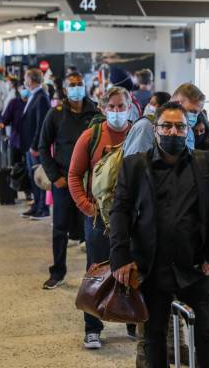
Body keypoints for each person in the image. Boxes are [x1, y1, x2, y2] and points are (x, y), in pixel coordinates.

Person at [110, 102, 209, 367]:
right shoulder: (135, 165)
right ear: (155, 129)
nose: (173, 132)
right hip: (152, 267)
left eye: (179, 126)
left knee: (207, 335)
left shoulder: (206, 162)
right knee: (154, 338)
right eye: (166, 126)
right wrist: (121, 257)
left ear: (188, 130)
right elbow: (120, 212)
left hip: (196, 266)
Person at [68, 86, 132, 349]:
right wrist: (87, 207)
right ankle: (92, 327)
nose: (117, 111)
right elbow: (74, 175)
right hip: (98, 219)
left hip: (131, 219)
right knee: (96, 270)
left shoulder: (138, 134)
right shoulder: (90, 137)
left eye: (121, 106)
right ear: (103, 108)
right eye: (112, 107)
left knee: (132, 268)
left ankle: (133, 319)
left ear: (130, 106)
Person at [39, 72, 97, 290]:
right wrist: (55, 177)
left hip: (89, 183)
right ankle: (58, 272)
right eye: (71, 85)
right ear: (64, 89)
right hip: (64, 180)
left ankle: (92, 275)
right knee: (60, 228)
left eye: (79, 84)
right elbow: (43, 147)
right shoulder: (56, 114)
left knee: (91, 229)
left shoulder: (95, 112)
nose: (76, 88)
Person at [123, 83, 204, 157]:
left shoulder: (188, 131)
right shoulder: (146, 126)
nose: (193, 116)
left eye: (197, 113)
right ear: (175, 103)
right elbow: (133, 166)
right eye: (191, 111)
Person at [20, 69, 51, 219]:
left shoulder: (41, 97)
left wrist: (35, 145)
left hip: (35, 146)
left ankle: (43, 209)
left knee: (40, 178)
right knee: (33, 176)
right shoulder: (34, 96)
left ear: (31, 80)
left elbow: (41, 124)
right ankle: (36, 204)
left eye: (25, 78)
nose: (24, 81)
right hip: (29, 145)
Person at [0, 78, 26, 167]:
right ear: (18, 89)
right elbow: (6, 117)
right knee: (15, 165)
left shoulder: (34, 102)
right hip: (16, 138)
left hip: (30, 140)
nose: (25, 90)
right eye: (23, 88)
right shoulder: (14, 102)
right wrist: (2, 123)